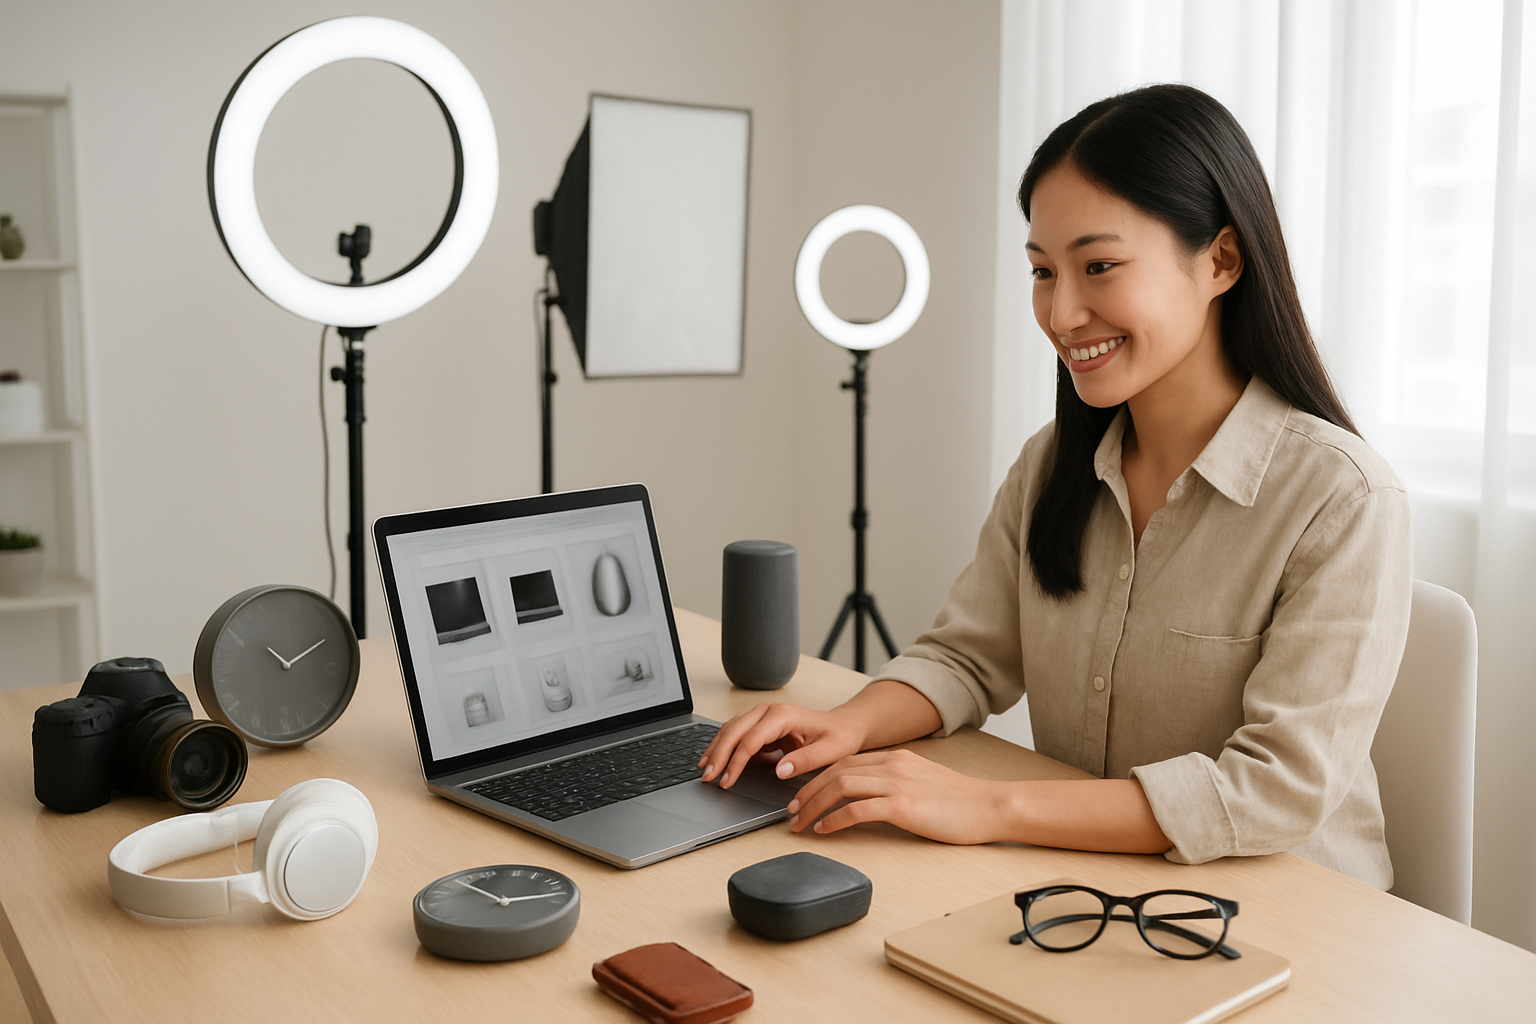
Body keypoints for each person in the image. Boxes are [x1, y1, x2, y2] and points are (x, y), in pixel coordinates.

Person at [697, 84, 1412, 889]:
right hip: (1094, 888)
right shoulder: (1053, 464)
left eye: (1099, 267)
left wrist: (987, 808)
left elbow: (1272, 792)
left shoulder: (1342, 500)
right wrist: (842, 727)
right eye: (1043, 271)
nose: (1062, 313)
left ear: (1219, 261)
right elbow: (967, 658)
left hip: (1292, 916)